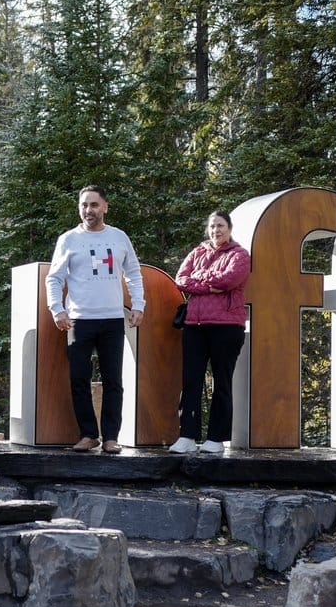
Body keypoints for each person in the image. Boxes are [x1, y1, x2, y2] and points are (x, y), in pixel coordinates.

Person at [45, 185, 146, 454]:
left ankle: (111, 437)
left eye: (94, 205)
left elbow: (133, 272)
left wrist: (138, 304)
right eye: (84, 205)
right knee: (79, 379)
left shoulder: (119, 237)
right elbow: (54, 277)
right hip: (78, 319)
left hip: (112, 318)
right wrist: (57, 309)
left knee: (114, 380)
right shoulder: (68, 239)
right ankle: (89, 434)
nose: (88, 210)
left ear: (105, 207)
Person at [168, 210, 251, 455]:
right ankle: (187, 436)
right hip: (195, 325)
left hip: (227, 327)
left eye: (221, 225)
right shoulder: (197, 252)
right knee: (191, 380)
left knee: (221, 382)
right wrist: (209, 284)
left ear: (230, 228)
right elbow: (181, 279)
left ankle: (216, 438)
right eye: (213, 226)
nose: (216, 230)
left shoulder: (240, 255)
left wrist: (200, 280)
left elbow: (229, 280)